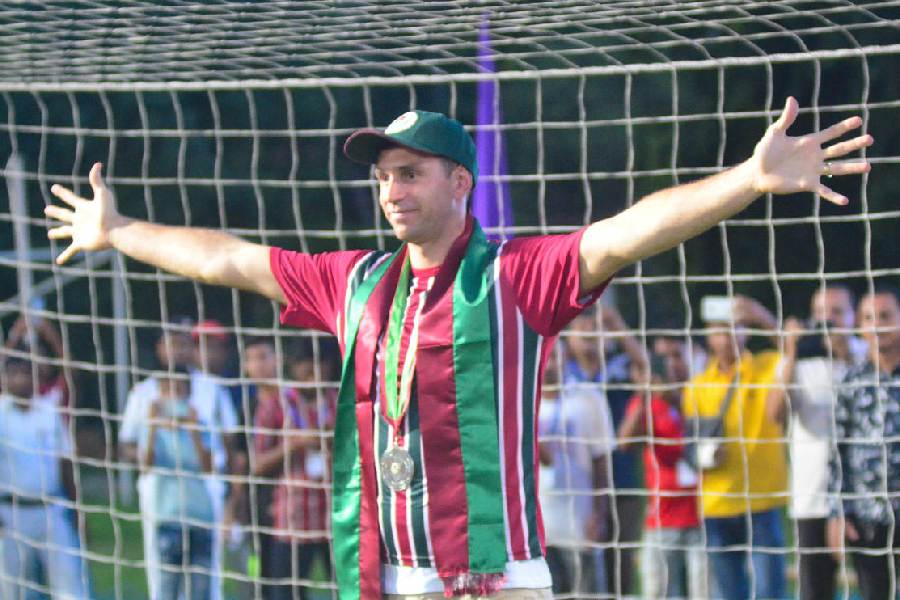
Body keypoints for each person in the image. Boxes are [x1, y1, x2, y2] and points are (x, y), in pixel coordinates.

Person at [45, 99, 870, 598]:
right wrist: (119, 232)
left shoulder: (516, 274)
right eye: (382, 177)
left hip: (496, 578)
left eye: (409, 173)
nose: (390, 190)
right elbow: (229, 259)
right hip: (385, 576)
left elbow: (626, 235)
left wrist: (746, 181)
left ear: (459, 183)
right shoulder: (354, 280)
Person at [118, 320, 239, 600]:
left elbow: (230, 446)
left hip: (208, 491)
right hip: (159, 495)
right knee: (161, 576)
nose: (180, 350)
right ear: (160, 349)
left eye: (185, 343)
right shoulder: (143, 392)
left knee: (209, 579)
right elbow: (125, 446)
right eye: (172, 343)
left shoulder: (212, 388)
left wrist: (234, 496)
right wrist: (153, 449)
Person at [683, 295, 788, 599]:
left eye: (736, 326)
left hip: (762, 500)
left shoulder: (767, 365)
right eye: (720, 329)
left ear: (748, 331)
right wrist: (706, 455)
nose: (728, 335)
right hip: (717, 502)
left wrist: (763, 316)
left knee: (771, 591)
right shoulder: (697, 385)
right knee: (728, 593)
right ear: (709, 336)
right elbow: (690, 446)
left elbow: (792, 350)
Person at [766, 284, 866, 600]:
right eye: (821, 313)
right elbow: (774, 414)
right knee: (815, 589)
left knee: (876, 582)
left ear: (853, 317)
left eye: (837, 312)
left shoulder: (866, 354)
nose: (828, 321)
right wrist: (792, 354)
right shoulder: (797, 362)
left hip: (865, 494)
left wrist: (845, 355)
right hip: (813, 494)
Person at [561, 302, 646, 595]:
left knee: (620, 566)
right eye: (581, 326)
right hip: (579, 486)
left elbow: (644, 367)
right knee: (577, 568)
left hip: (622, 479)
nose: (588, 330)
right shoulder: (563, 376)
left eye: (596, 327)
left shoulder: (618, 369)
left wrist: (616, 322)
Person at [827, 285, 900, 600]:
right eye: (869, 317)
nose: (877, 324)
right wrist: (838, 512)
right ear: (859, 325)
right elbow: (837, 452)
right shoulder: (851, 380)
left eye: (885, 316)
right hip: (868, 517)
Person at [247, 337, 334, 600]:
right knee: (286, 594)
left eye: (320, 366)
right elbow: (257, 464)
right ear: (294, 367)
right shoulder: (276, 405)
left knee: (349, 591)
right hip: (292, 520)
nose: (313, 374)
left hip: (335, 517)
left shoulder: (338, 399)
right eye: (306, 367)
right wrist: (294, 445)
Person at [0, 348, 90, 599]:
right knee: (12, 589)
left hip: (51, 508)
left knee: (71, 585)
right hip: (10, 513)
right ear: (4, 378)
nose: (21, 379)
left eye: (26, 373)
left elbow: (65, 462)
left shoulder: (49, 412)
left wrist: (76, 510)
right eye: (14, 373)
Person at [618, 344, 707, 599]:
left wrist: (677, 399)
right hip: (661, 519)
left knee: (703, 593)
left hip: (701, 516)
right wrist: (646, 394)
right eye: (664, 360)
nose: (671, 366)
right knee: (657, 592)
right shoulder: (645, 403)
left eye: (676, 356)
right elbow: (624, 441)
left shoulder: (699, 394)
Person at [538, 348, 614, 597]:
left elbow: (602, 460)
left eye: (554, 356)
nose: (548, 365)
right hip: (538, 530)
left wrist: (600, 512)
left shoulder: (588, 398)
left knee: (588, 593)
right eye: (543, 358)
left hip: (579, 523)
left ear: (565, 357)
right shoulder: (520, 401)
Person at [140, 366, 216, 600]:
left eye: (179, 389)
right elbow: (145, 466)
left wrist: (192, 429)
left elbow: (208, 467)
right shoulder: (153, 429)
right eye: (167, 390)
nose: (173, 395)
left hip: (200, 518)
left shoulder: (200, 425)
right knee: (166, 589)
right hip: (168, 518)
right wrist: (153, 426)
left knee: (200, 591)